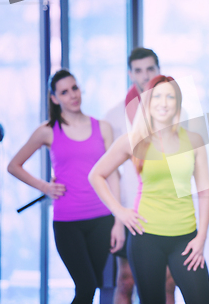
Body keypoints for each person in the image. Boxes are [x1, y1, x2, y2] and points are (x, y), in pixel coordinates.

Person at [89, 75, 209, 304]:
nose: (163, 102)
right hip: (146, 238)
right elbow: (96, 175)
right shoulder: (133, 140)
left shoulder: (194, 140)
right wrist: (120, 211)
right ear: (148, 101)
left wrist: (201, 237)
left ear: (178, 102)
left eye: (170, 96)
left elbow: (205, 192)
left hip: (186, 239)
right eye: (157, 96)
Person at [7, 69, 123, 304]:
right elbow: (14, 165)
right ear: (54, 98)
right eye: (64, 92)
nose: (72, 95)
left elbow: (113, 176)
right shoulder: (47, 131)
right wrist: (44, 186)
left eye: (74, 88)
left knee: (93, 287)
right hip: (67, 223)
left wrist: (118, 222)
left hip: (102, 220)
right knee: (86, 286)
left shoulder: (103, 128)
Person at [103, 47, 177, 304]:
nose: (145, 75)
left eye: (150, 69)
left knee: (169, 281)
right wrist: (118, 219)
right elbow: (108, 172)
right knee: (126, 280)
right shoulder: (114, 117)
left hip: (168, 208)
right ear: (129, 73)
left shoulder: (176, 114)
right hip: (131, 209)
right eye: (138, 70)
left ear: (159, 70)